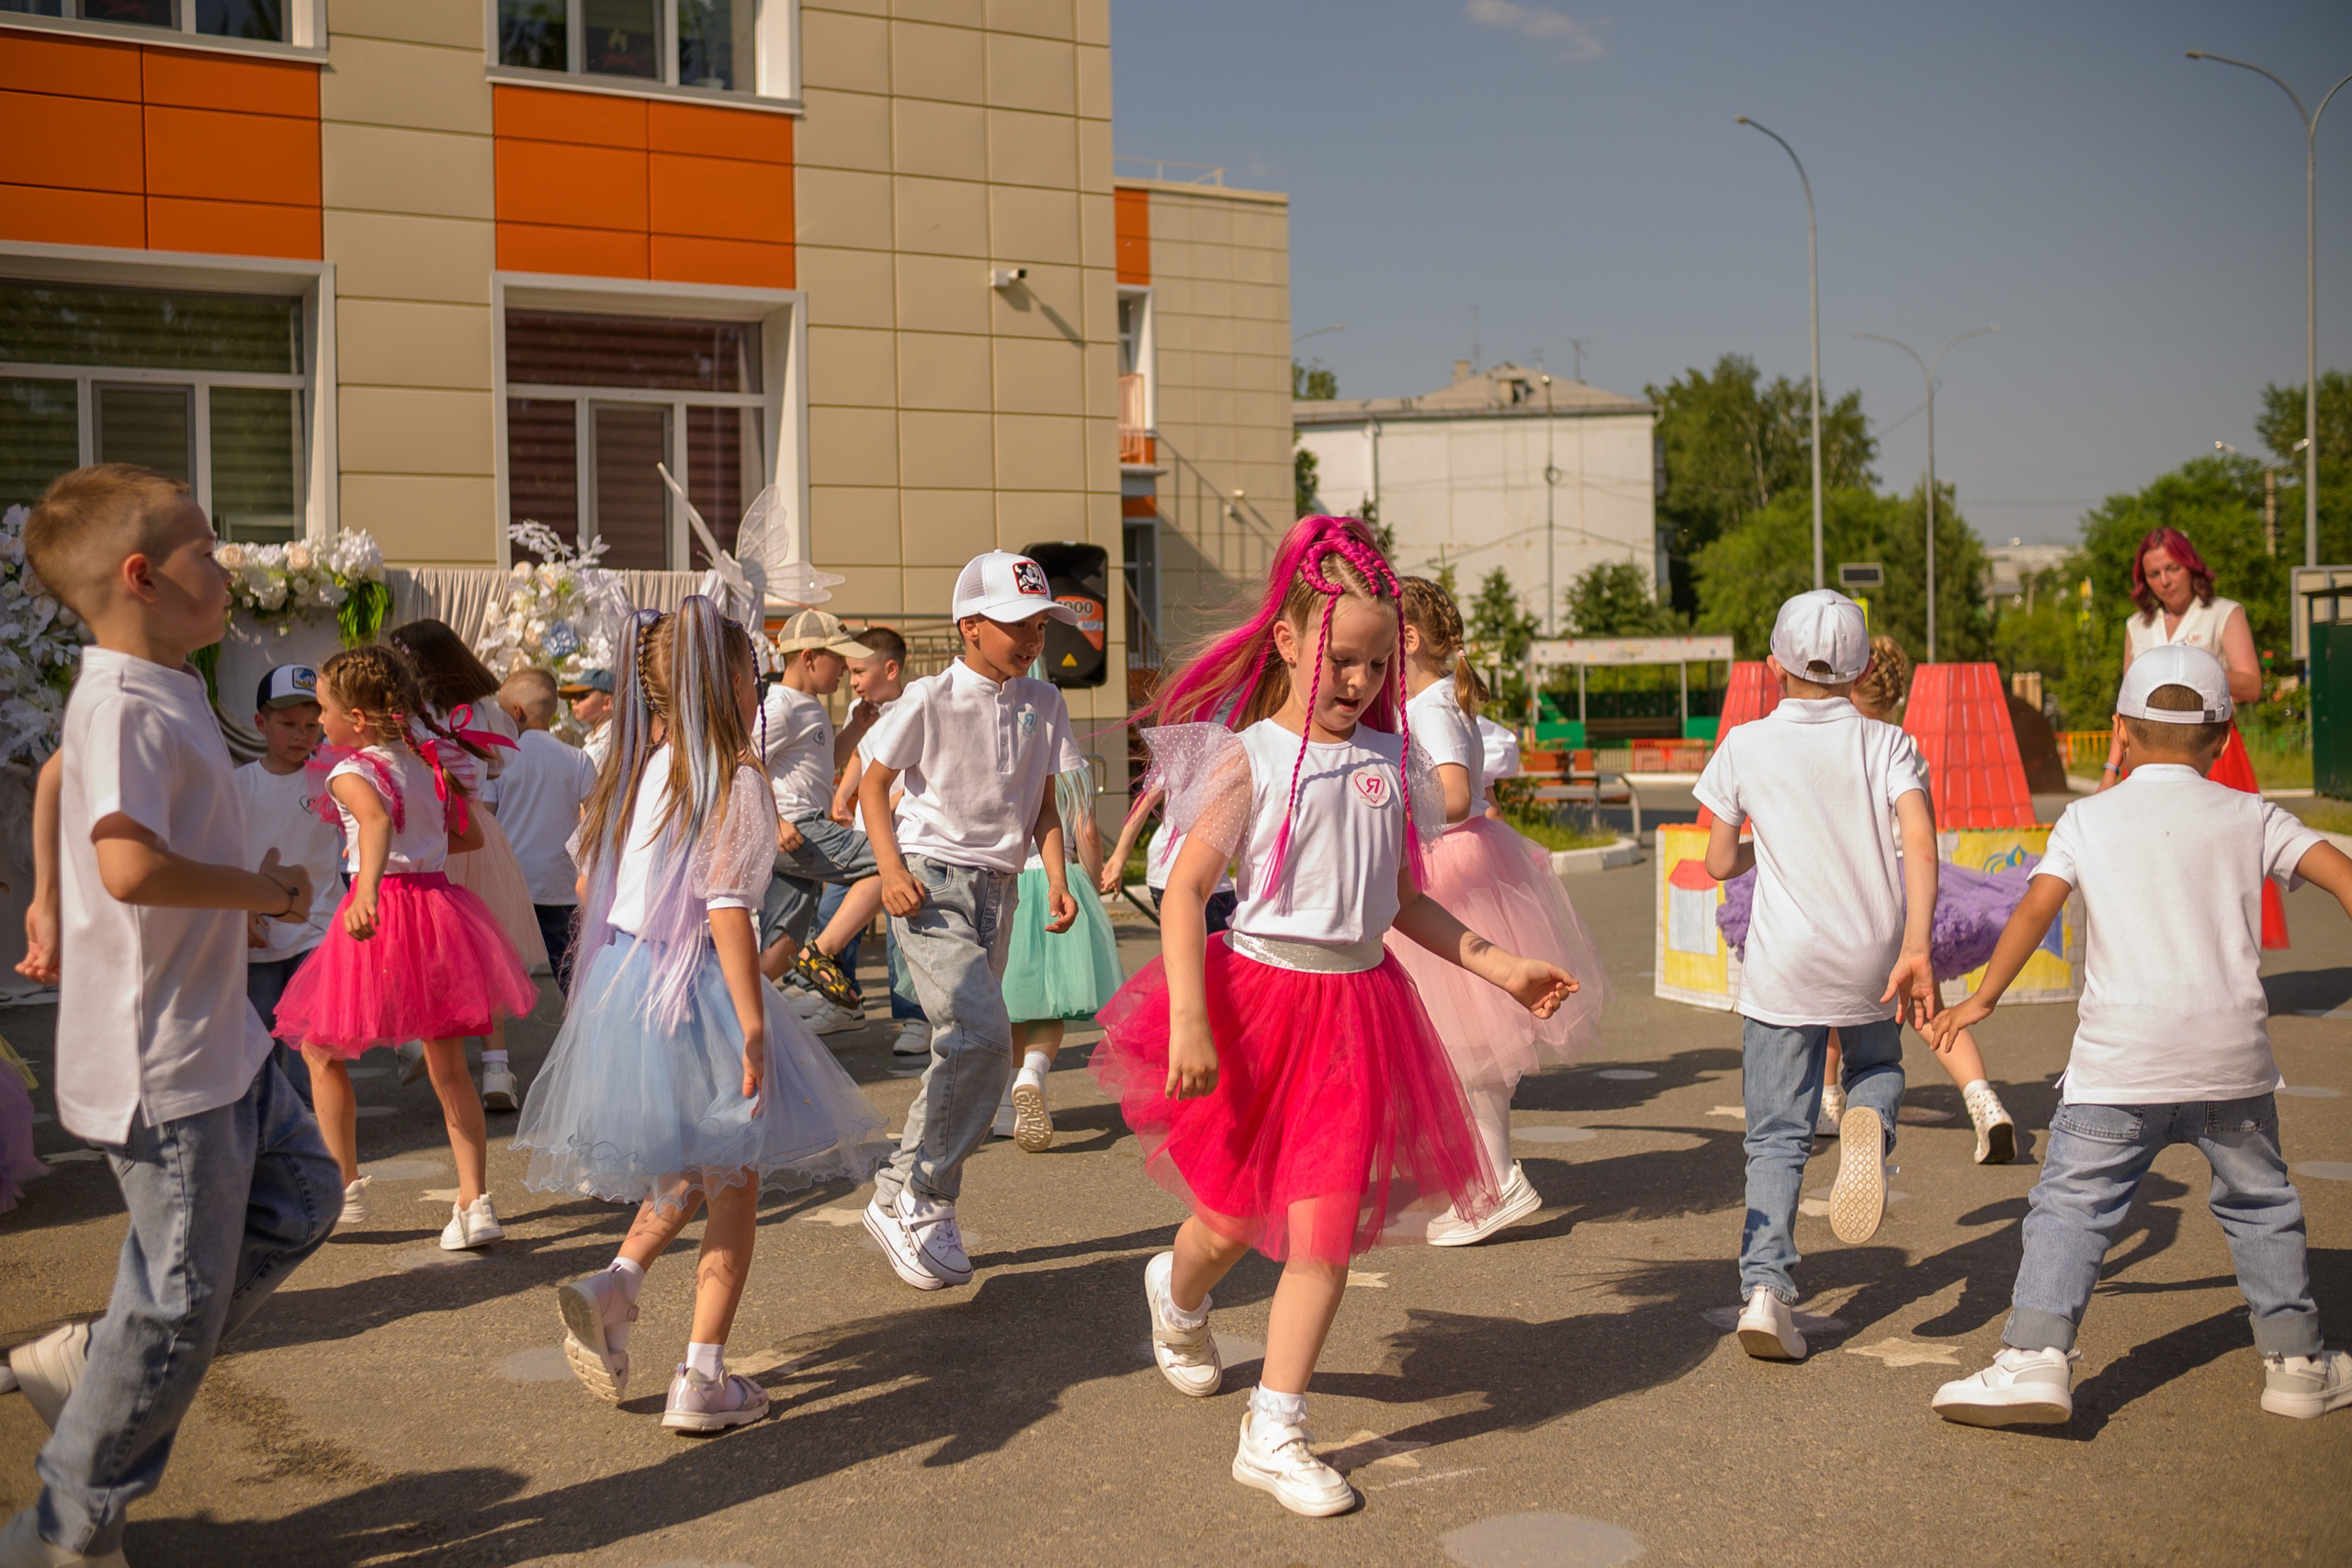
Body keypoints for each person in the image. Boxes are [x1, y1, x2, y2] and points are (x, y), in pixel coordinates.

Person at [1091, 516, 1577, 1518]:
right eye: (1341, 659)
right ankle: (1175, 1292)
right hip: (1257, 1007)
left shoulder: (1392, 762)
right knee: (1229, 1221)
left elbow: (1401, 901)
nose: (1359, 680)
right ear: (1287, 641)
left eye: (1377, 662)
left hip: (1358, 1014)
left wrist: (1503, 967)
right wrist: (1190, 1018)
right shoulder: (1248, 762)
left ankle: (1274, 1427)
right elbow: (1184, 894)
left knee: (1323, 1235)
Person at [3, 464, 339, 1568]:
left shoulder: (162, 682)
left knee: (304, 1200)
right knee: (181, 1303)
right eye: (207, 549)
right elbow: (132, 867)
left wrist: (50, 893)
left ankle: (101, 1364)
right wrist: (269, 896)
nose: (227, 566)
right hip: (166, 1062)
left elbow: (67, 785)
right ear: (143, 577)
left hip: (218, 1035)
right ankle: (66, 1525)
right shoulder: (123, 701)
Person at [1929, 644, 2352, 1427]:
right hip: (2231, 1066)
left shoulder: (2088, 819)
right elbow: (2344, 876)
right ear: (2222, 736)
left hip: (2119, 1066)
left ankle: (2035, 1358)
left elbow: (2035, 908)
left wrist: (1983, 997)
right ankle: (2297, 1365)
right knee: (2263, 1207)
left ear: (2118, 730)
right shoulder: (2251, 815)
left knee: (2071, 1207)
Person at [514, 600, 888, 1430]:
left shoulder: (641, 769)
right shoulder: (735, 777)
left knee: (696, 1157)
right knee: (735, 1184)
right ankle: (703, 1376)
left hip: (629, 986)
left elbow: (589, 882)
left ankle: (616, 1283)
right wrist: (753, 1023)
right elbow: (726, 908)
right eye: (751, 673)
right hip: (699, 988)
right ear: (728, 684)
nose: (758, 687)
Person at [1694, 589, 1939, 1364]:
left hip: (1784, 960)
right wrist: (1918, 945)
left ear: (1774, 663)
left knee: (1775, 1134)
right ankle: (1868, 1118)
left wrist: (1764, 845)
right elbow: (1920, 843)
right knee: (1876, 1066)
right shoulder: (1888, 743)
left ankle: (1766, 1290)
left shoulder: (1745, 743)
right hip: (1871, 951)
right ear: (1864, 669)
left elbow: (1719, 860)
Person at [856, 551, 1083, 1291]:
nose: (1032, 639)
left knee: (962, 1045)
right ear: (970, 625)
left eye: (1041, 626)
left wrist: (1057, 878)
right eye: (1017, 625)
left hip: (1000, 892)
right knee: (983, 1037)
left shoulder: (1045, 701)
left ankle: (895, 1193)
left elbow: (1044, 805)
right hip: (930, 885)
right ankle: (927, 1195)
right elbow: (873, 786)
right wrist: (890, 870)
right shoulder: (928, 696)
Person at [270, 644, 539, 1246]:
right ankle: (475, 1202)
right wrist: (423, 847)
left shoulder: (350, 771)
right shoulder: (426, 763)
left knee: (320, 1049)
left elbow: (374, 822)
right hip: (438, 910)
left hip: (383, 909)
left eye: (323, 710)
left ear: (356, 718)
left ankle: (344, 1188)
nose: (318, 721)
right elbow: (467, 836)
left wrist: (366, 887)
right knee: (449, 1066)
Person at [1389, 578, 1607, 1244]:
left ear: (1407, 639)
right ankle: (1476, 1175)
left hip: (1450, 867)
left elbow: (1456, 795)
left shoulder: (1430, 705)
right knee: (1459, 1039)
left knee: (1466, 1039)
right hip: (1463, 861)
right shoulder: (1439, 699)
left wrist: (1393, 806)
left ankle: (1495, 1178)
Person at [1817, 635, 2018, 1163]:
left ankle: (1828, 1100)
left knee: (1832, 1002)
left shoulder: (1843, 745)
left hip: (1855, 888)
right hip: (1911, 887)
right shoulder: (1905, 748)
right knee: (1928, 1008)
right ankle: (1984, 1102)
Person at [388, 620, 548, 1111]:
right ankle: (497, 1069)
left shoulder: (407, 716)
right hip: (479, 833)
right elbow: (496, 766)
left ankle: (417, 1040)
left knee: (427, 948)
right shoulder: (486, 713)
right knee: (485, 952)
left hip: (431, 833)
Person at [2102, 526, 2283, 947]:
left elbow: (2252, 685)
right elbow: (2127, 705)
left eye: (2172, 568)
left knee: (2218, 863)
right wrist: (2110, 769)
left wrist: (2195, 667)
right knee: (2153, 864)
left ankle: (2228, 955)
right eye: (2153, 574)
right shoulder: (2137, 626)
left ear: (2190, 566)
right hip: (2147, 755)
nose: (2165, 581)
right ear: (2144, 581)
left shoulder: (2223, 612)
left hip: (2210, 753)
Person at [756, 608, 888, 1026]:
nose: (846, 669)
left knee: (783, 947)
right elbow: (744, 762)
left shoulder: (807, 705)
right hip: (796, 828)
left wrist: (856, 730)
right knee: (891, 861)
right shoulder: (780, 707)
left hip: (798, 833)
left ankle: (726, 1007)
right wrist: (776, 822)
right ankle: (823, 952)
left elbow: (821, 763)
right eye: (839, 659)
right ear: (809, 658)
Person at [992, 762, 1126, 1151]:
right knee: (1050, 1007)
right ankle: (1032, 1073)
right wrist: (1091, 881)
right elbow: (1086, 830)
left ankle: (1006, 1111)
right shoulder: (1072, 768)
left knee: (1016, 1001)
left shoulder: (1012, 759)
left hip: (1014, 883)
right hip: (1058, 883)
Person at [236, 663, 345, 1104]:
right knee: (257, 1038)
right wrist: (239, 908)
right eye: (287, 724)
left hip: (319, 931)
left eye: (311, 725)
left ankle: (313, 1125)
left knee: (313, 1042)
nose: (301, 735)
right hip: (259, 937)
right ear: (260, 722)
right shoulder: (239, 785)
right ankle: (263, 1125)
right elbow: (225, 854)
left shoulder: (334, 779)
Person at [822, 626, 932, 1057]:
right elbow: (860, 755)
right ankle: (840, 999)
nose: (851, 681)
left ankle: (914, 1017)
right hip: (861, 836)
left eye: (858, 672)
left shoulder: (915, 708)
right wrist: (842, 793)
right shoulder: (861, 710)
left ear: (890, 669)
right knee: (832, 913)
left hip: (897, 837)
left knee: (898, 929)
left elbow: (912, 778)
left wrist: (884, 804)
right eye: (849, 672)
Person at [494, 667, 597, 991]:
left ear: (516, 712)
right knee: (574, 978)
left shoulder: (500, 760)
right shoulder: (578, 758)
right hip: (559, 884)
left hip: (509, 883)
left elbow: (485, 816)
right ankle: (583, 1023)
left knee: (499, 974)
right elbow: (599, 818)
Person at [563, 669, 616, 767]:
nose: (573, 701)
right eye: (573, 696)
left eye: (582, 696)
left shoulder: (614, 740)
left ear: (607, 703)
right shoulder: (592, 739)